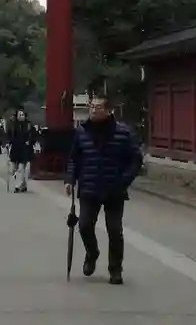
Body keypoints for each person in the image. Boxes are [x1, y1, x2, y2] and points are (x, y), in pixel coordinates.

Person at [64, 94, 143, 285]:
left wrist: (124, 180)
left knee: (114, 230)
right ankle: (92, 253)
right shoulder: (81, 132)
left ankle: (115, 269)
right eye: (91, 106)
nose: (93, 110)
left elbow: (136, 159)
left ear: (109, 111)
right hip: (89, 187)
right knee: (84, 226)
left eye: (98, 107)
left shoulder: (123, 133)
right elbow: (74, 158)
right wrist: (70, 179)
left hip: (114, 189)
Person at [6, 110, 35, 193]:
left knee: (22, 168)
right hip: (16, 149)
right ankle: (23, 185)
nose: (21, 116)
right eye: (19, 115)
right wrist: (8, 143)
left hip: (25, 149)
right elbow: (10, 135)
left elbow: (33, 135)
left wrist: (30, 141)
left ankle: (18, 186)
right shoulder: (13, 125)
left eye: (22, 114)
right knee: (14, 169)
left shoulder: (29, 125)